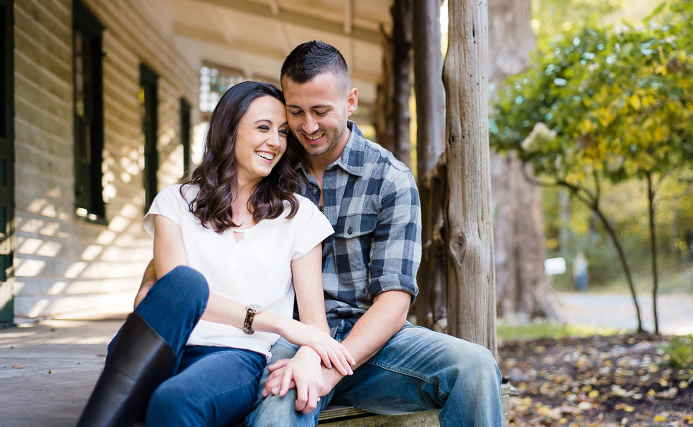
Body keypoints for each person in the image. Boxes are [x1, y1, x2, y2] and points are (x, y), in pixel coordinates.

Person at [244, 41, 504, 426]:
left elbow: (394, 301)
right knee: (280, 410)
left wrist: (332, 369)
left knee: (476, 367)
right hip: (291, 340)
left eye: (320, 111)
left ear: (350, 100)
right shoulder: (268, 166)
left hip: (372, 345)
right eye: (295, 111)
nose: (308, 126)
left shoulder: (389, 179)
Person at [76, 81, 354, 427]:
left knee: (175, 401)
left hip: (236, 355)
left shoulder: (299, 215)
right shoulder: (175, 202)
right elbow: (179, 297)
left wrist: (310, 353)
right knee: (186, 284)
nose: (275, 141)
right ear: (228, 129)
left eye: (282, 132)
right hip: (162, 344)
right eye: (263, 128)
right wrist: (277, 321)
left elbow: (314, 324)